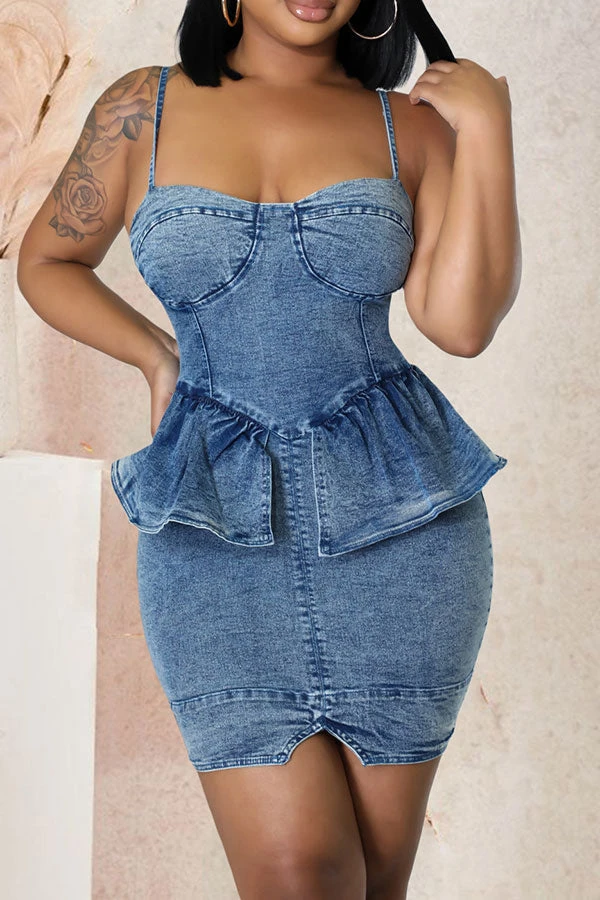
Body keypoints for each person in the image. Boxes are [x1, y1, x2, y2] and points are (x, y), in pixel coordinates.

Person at [17, 0, 519, 896]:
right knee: (300, 875)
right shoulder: (141, 107)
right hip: (213, 544)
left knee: (373, 886)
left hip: (401, 537)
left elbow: (462, 324)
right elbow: (46, 261)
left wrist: (488, 130)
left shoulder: (411, 127)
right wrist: (156, 356)